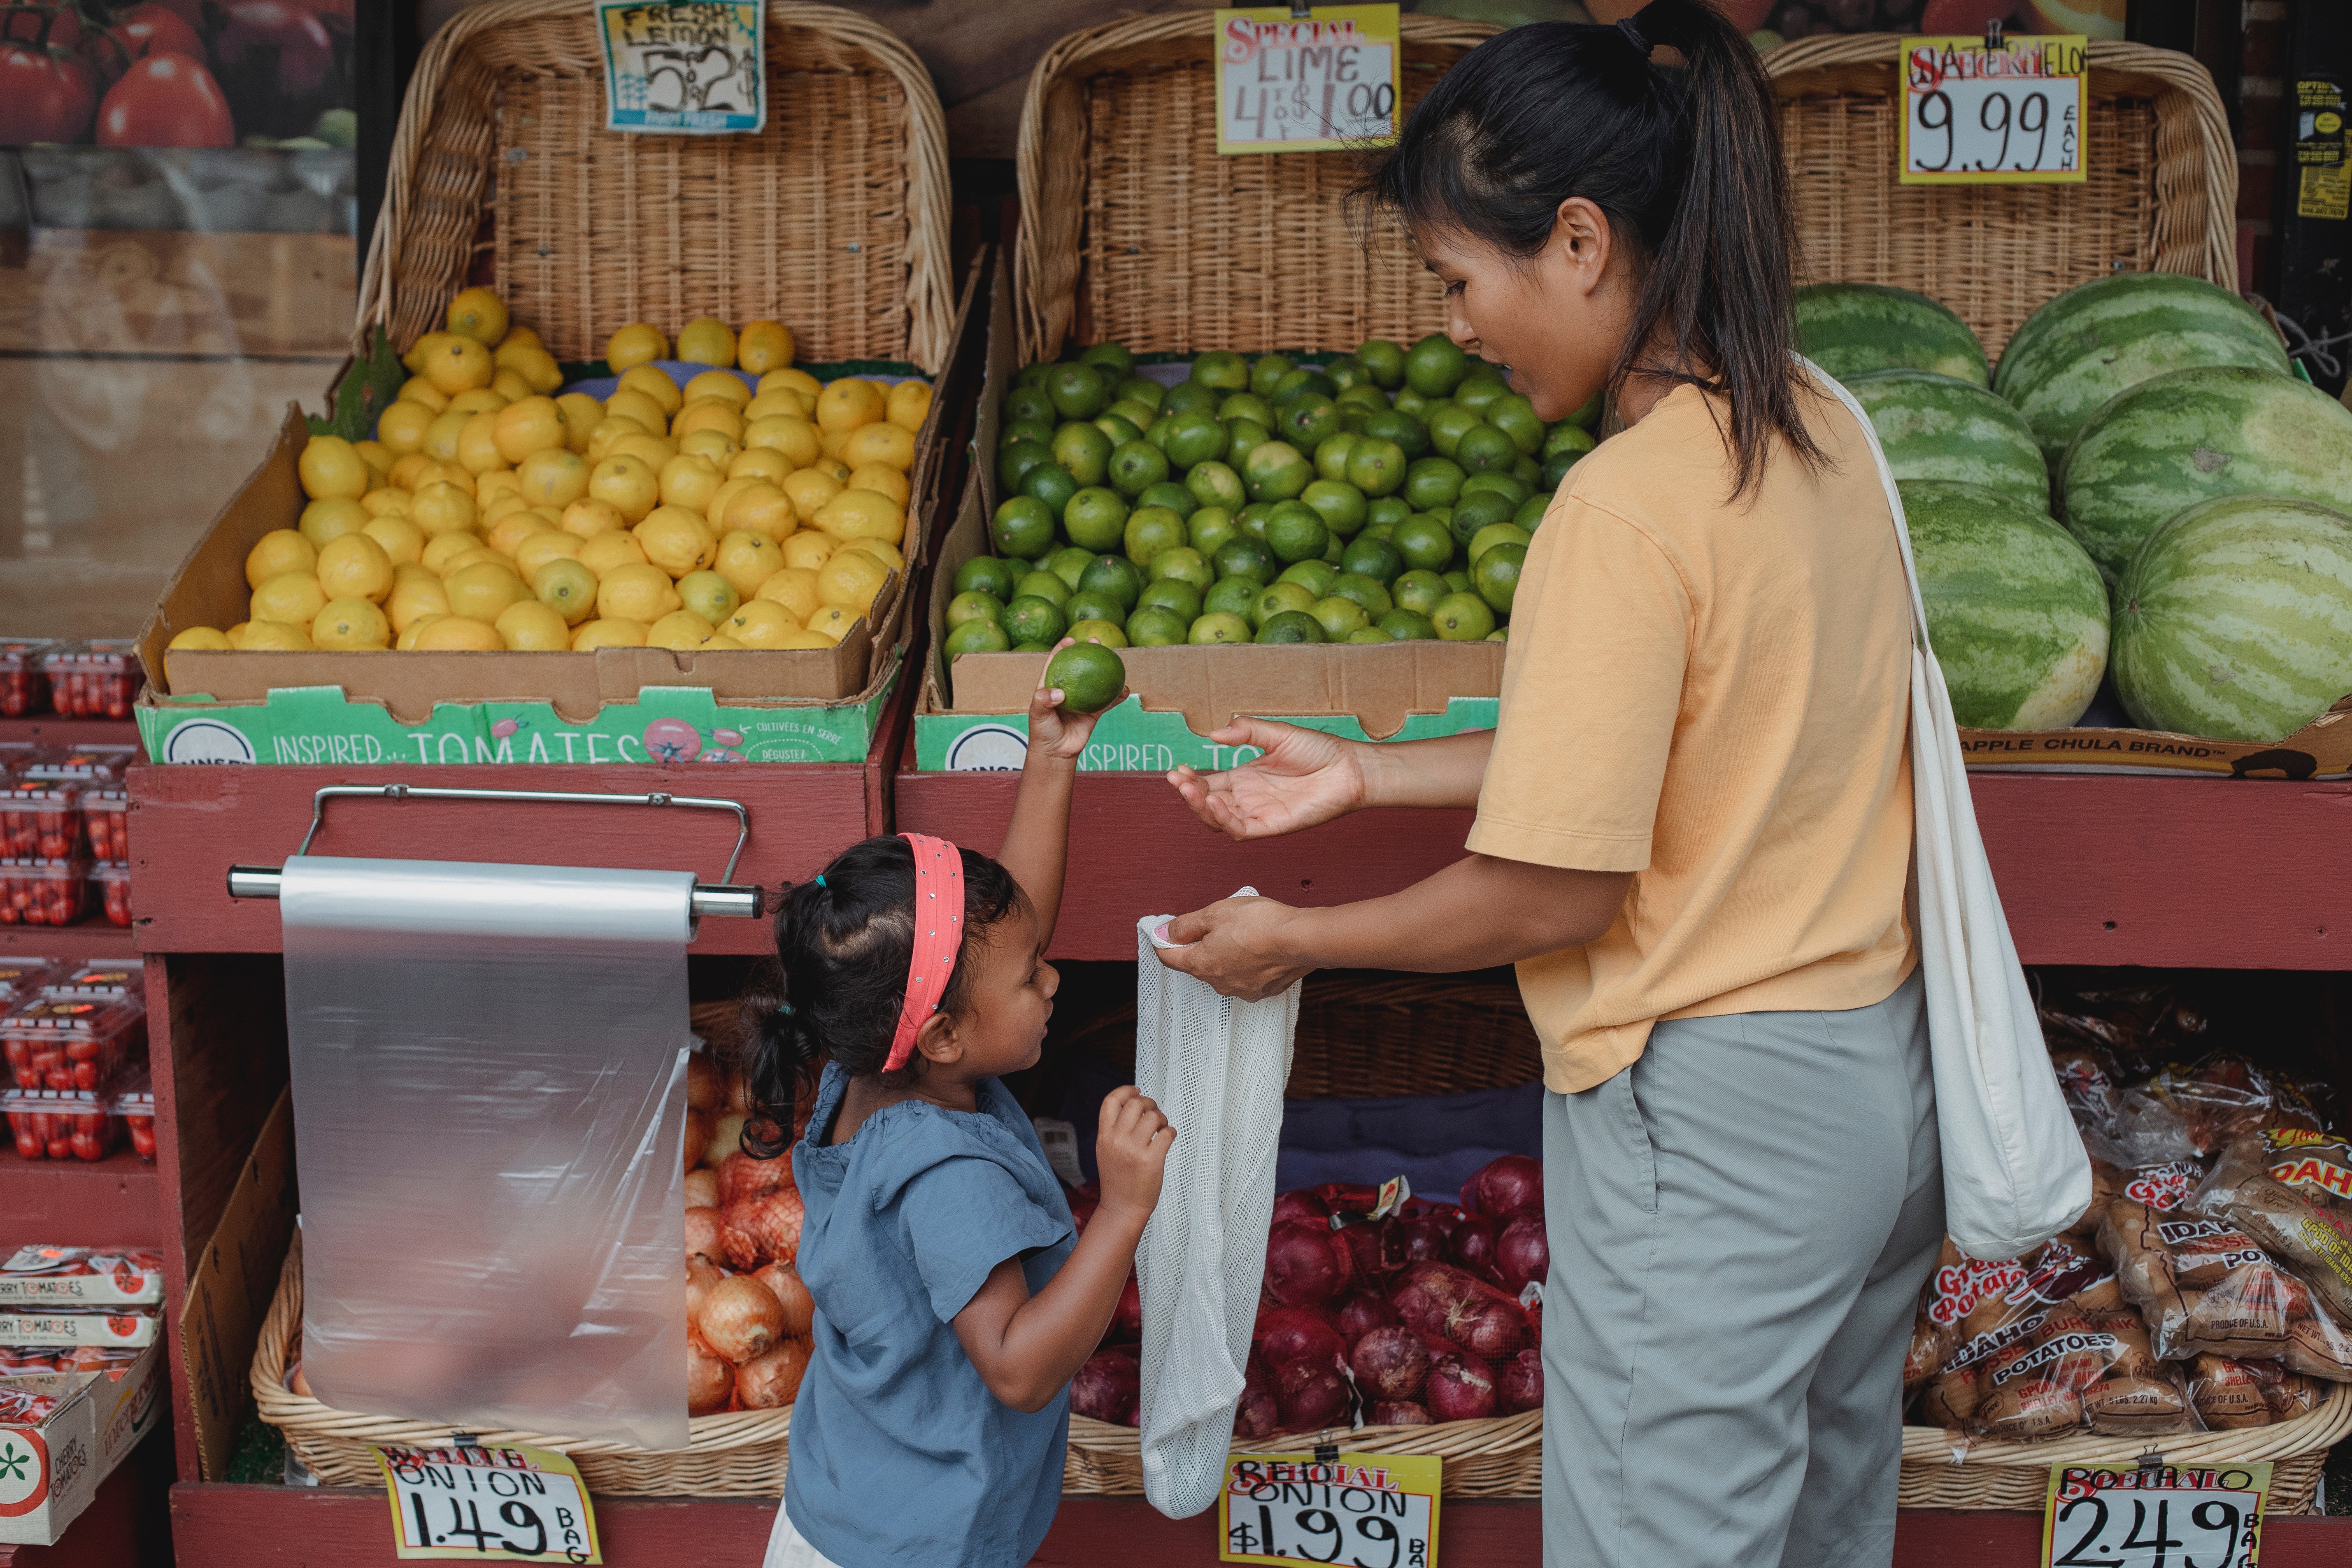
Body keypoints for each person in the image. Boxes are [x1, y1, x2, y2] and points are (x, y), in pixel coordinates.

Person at [1155, 4, 1941, 1565]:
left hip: (1709, 1123)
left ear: (1577, 242)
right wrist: (1368, 774)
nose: (1454, 325)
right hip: (1866, 1102)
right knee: (1815, 1537)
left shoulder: (1623, 504)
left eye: (1459, 279)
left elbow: (1559, 885)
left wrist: (1296, 943)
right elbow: (1686, 752)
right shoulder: (1817, 430)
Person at [738, 658, 1172, 1568]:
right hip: (918, 1551)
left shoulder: (864, 1074)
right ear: (940, 1034)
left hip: (840, 1511)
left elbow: (1001, 937)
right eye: (1032, 978)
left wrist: (1050, 762)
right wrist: (1127, 1207)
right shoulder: (948, 1175)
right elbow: (1015, 1369)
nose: (1051, 977)